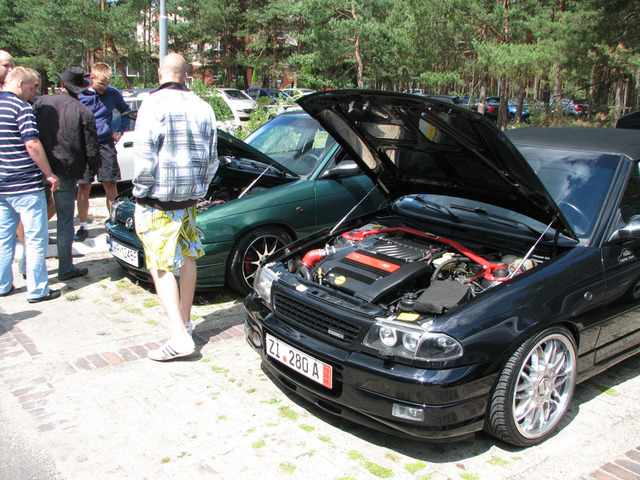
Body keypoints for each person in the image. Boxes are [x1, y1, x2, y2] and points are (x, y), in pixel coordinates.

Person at [133, 53, 218, 361]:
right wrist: (199, 190)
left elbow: (145, 157)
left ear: (160, 73)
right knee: (187, 255)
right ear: (186, 76)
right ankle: (185, 321)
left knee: (159, 264)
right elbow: (212, 158)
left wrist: (141, 193)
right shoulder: (203, 106)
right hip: (189, 200)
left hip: (158, 200)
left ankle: (180, 337)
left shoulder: (152, 104)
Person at [33, 66, 100, 281]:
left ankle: (30, 269)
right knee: (64, 221)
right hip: (66, 171)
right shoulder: (83, 111)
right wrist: (94, 168)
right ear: (80, 89)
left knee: (35, 220)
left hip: (38, 168)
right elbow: (91, 147)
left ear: (62, 84)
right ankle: (65, 267)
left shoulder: (41, 103)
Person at [0, 66, 61, 302]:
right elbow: (32, 144)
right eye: (32, 87)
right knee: (36, 238)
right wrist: (49, 174)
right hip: (25, 183)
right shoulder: (21, 108)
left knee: (4, 237)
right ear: (19, 83)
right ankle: (38, 289)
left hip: (2, 184)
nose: (34, 92)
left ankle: (4, 284)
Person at [75, 62, 131, 242]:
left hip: (106, 144)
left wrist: (120, 130)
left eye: (107, 84)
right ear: (92, 78)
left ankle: (114, 223)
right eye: (101, 84)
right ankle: (83, 226)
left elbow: (126, 112)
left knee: (110, 184)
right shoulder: (80, 93)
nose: (104, 88)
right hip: (84, 145)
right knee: (84, 186)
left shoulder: (113, 93)